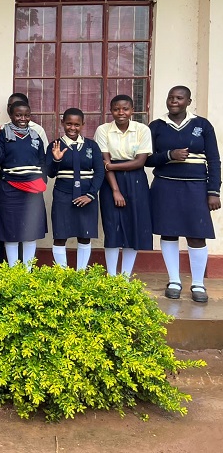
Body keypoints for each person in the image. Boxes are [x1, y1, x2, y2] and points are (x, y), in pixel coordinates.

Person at [146, 86, 221, 303]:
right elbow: (147, 159)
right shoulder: (157, 126)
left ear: (189, 101)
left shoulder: (202, 125)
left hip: (196, 187)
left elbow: (214, 160)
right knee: (168, 233)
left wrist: (213, 191)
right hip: (165, 185)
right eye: (171, 97)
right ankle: (174, 281)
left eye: (179, 98)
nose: (174, 101)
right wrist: (169, 155)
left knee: (196, 234)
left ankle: (198, 283)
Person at [94, 95, 153, 277]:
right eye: (116, 109)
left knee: (133, 226)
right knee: (112, 227)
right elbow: (104, 160)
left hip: (136, 180)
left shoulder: (142, 129)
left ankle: (125, 277)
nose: (121, 113)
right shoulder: (103, 130)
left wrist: (110, 165)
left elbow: (139, 162)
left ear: (132, 111)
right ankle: (112, 276)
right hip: (110, 181)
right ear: (111, 110)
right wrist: (115, 190)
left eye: (125, 109)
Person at [0, 101, 47, 268]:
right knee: (10, 232)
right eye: (18, 115)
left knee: (31, 232)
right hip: (9, 189)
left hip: (33, 190)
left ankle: (28, 272)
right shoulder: (2, 134)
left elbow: (42, 162)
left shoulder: (35, 135)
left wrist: (42, 181)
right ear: (11, 115)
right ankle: (14, 272)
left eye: (26, 115)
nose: (23, 118)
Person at [46, 108, 104, 270]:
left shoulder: (91, 146)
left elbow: (100, 172)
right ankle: (63, 274)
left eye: (77, 125)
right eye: (69, 124)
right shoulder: (55, 145)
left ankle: (80, 274)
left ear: (83, 125)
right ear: (62, 123)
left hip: (87, 196)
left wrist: (91, 195)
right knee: (60, 236)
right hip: (63, 196)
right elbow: (50, 174)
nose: (72, 128)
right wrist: (56, 160)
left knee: (84, 236)